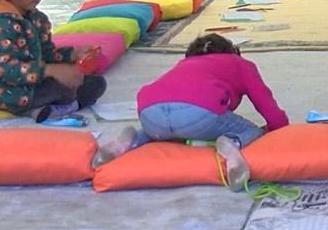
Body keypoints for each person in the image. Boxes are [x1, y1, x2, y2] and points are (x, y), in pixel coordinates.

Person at [96, 34, 288, 190]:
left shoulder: (184, 65)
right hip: (199, 112)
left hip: (149, 112)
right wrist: (278, 127)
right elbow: (265, 102)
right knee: (251, 130)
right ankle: (232, 144)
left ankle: (130, 139)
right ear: (233, 52)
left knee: (158, 132)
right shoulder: (240, 64)